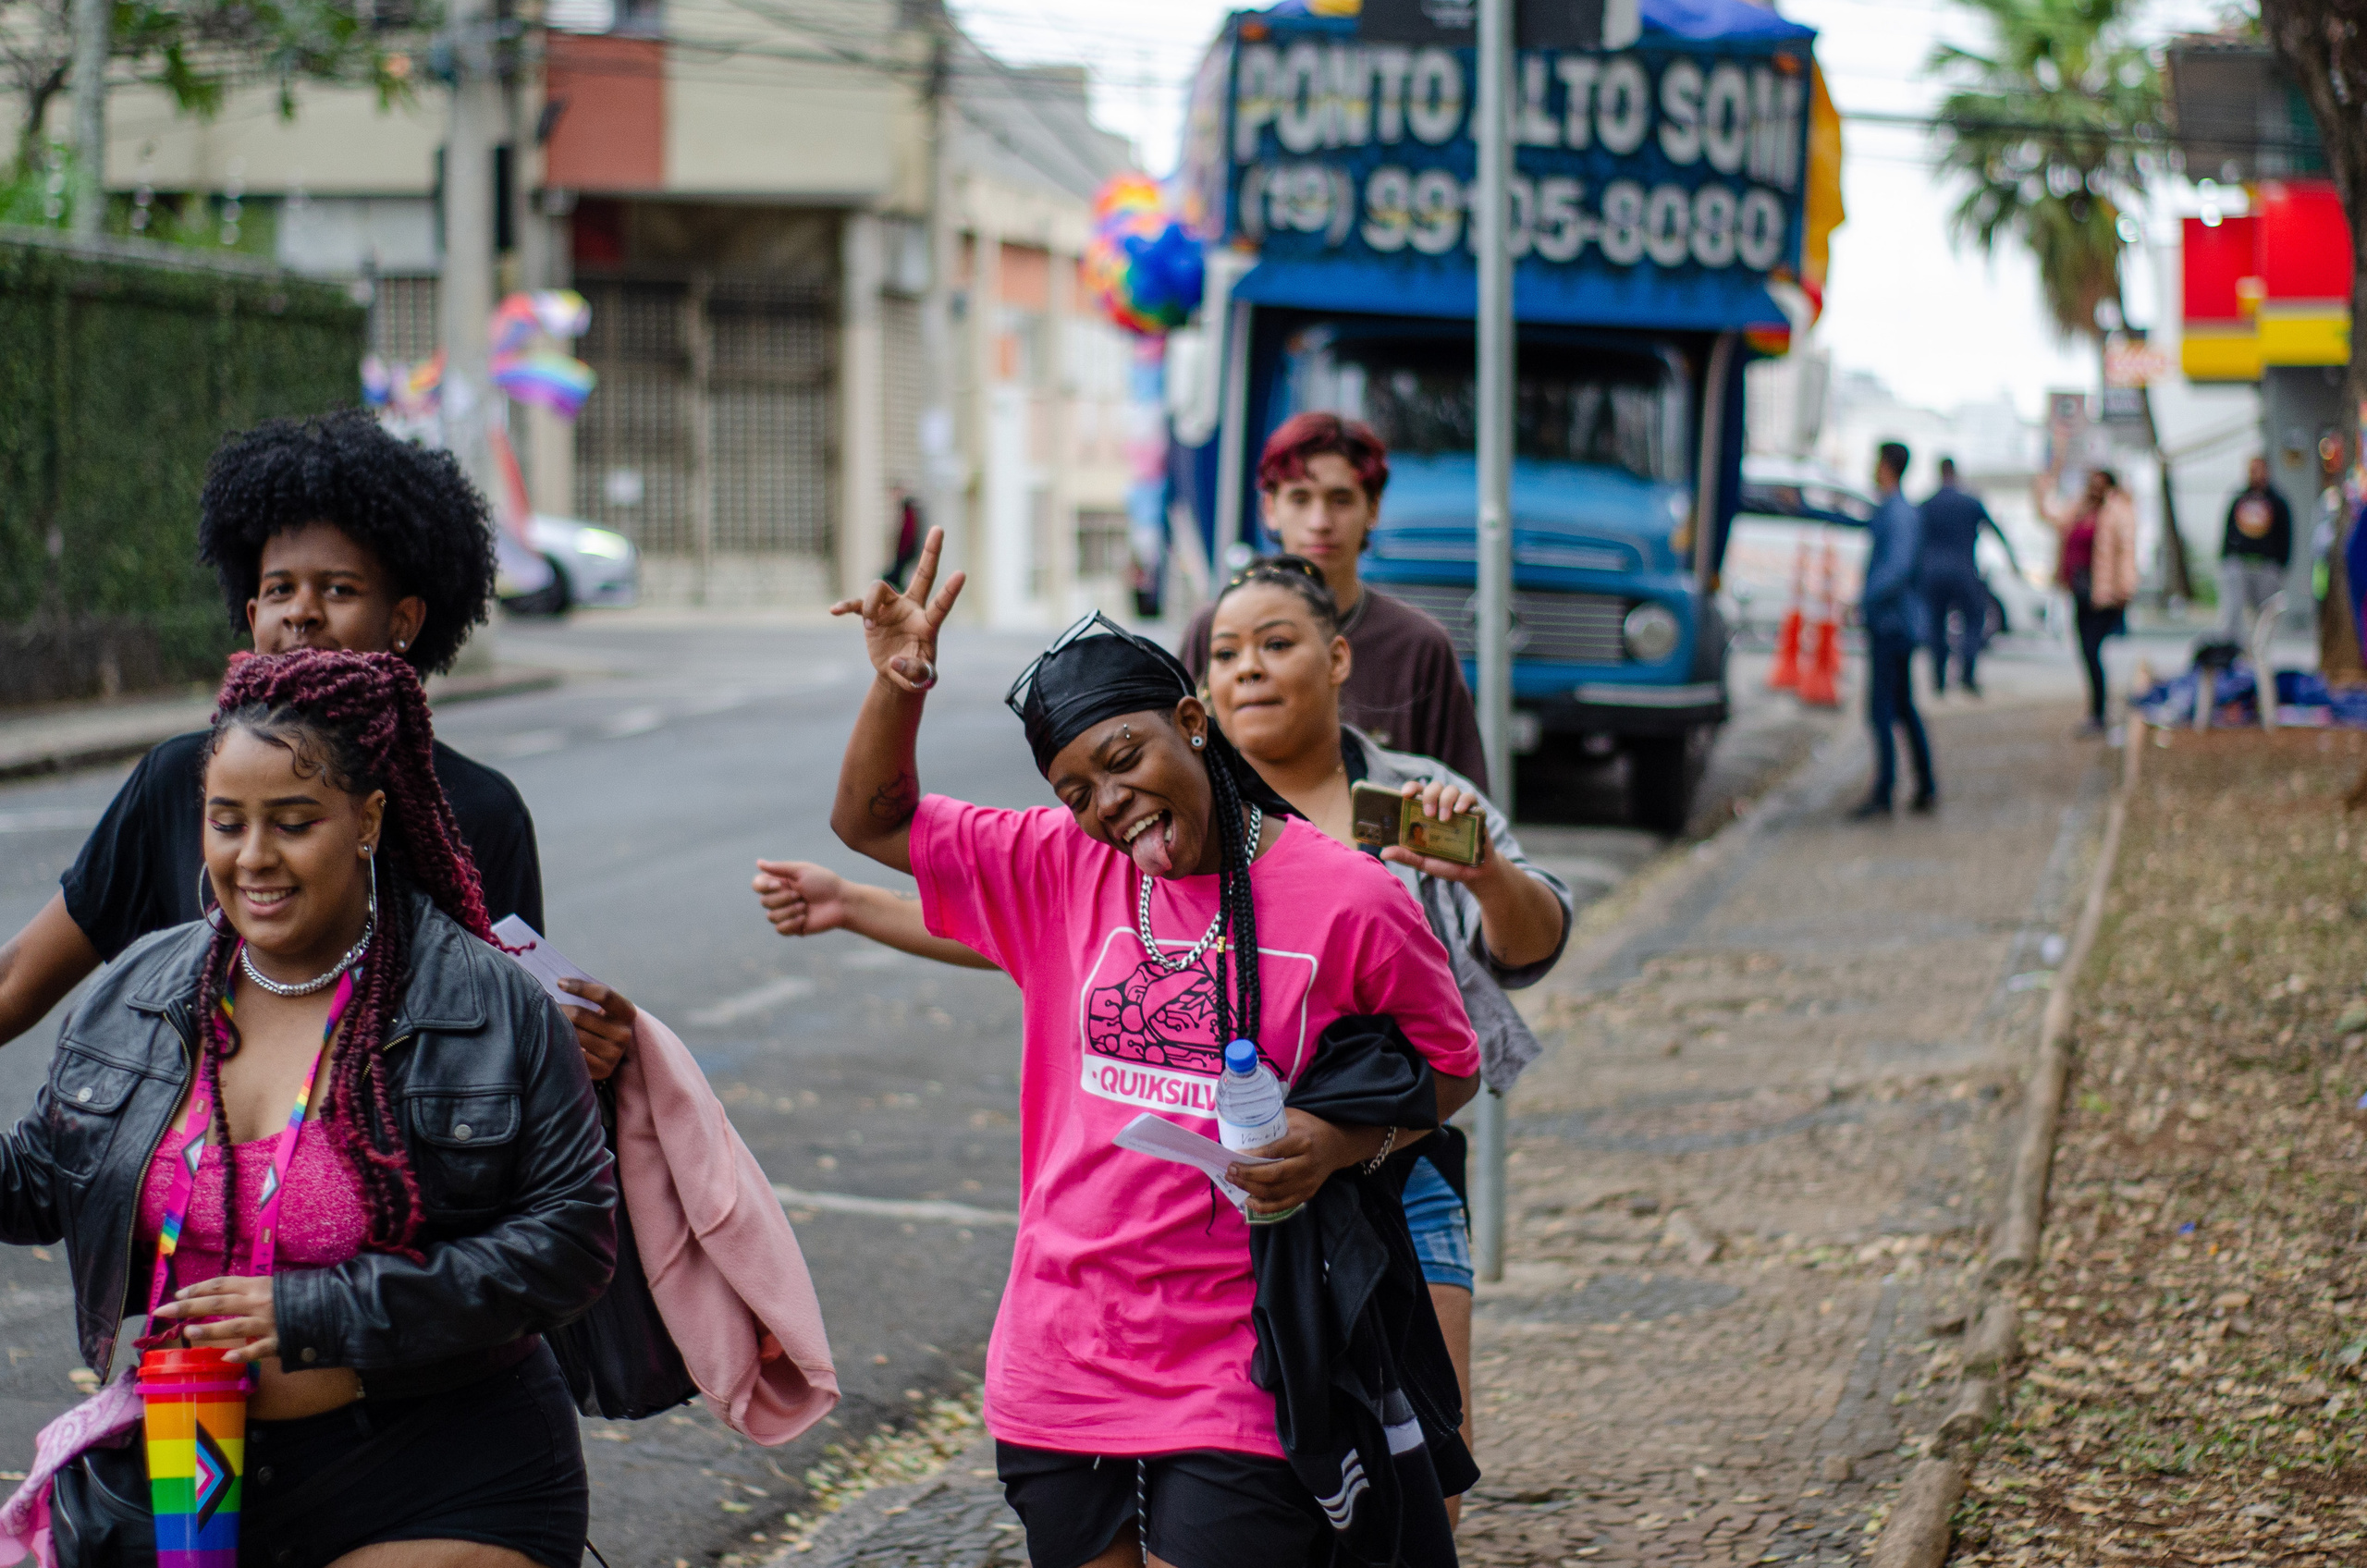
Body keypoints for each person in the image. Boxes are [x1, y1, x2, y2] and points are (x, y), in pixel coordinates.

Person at [754, 556, 1572, 1526]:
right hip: (1059, 1352)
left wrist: (1337, 1142)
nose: (1108, 801)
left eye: (1124, 758)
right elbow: (868, 820)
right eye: (1076, 791)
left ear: (1191, 722)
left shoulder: (1351, 896)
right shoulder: (1060, 862)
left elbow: (1452, 1066)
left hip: (1244, 1355)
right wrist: (900, 685)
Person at [4, 648, 616, 1568]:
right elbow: (40, 1180)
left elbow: (572, 1240)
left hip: (437, 1469)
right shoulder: (141, 989)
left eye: (292, 823)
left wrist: (315, 1311)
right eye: (226, 822)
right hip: (192, 1463)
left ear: (367, 819)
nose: (253, 857)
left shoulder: (484, 1003)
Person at [0, 410, 636, 1078]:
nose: (302, 610)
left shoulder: (479, 812)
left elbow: (516, 1042)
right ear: (253, 616)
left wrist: (585, 1050)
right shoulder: (176, 779)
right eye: (280, 589)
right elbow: (19, 978)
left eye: (338, 588)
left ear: (404, 620)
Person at [1179, 412, 1489, 790]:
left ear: (1373, 508)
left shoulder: (1419, 647)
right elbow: (1176, 767)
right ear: (1270, 509)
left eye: (1341, 500)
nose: (1320, 521)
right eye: (1300, 498)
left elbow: (1466, 802)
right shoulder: (1214, 630)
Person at [1852, 442, 1936, 819]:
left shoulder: (1899, 513)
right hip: (1897, 622)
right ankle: (1924, 785)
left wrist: (1863, 598)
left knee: (1882, 709)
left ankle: (1885, 791)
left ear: (1886, 466)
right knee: (1902, 706)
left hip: (1893, 624)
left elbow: (1897, 569)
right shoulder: (1893, 509)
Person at [2035, 465, 2139, 737]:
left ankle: (2099, 713)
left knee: (2092, 650)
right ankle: (2096, 712)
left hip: (2104, 594)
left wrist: (2125, 589)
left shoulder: (2118, 512)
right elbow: (2051, 516)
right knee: (2086, 651)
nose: (2094, 489)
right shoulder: (2079, 509)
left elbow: (2126, 551)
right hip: (2080, 591)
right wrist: (2043, 485)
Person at [1918, 457, 2005, 697]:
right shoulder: (1970, 502)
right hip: (1964, 572)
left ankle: (1939, 679)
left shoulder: (1928, 504)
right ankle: (1967, 674)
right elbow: (1995, 530)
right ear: (1955, 473)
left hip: (1933, 574)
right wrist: (2012, 560)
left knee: (1937, 624)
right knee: (1974, 618)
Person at [2220, 455, 2293, 641]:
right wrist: (2226, 557)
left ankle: (2260, 648)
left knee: (2266, 613)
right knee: (2234, 610)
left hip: (2266, 566)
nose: (2256, 474)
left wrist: (2280, 564)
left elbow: (2285, 534)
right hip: (2241, 563)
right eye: (2252, 470)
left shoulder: (2277, 502)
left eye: (2259, 470)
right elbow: (2228, 530)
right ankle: (2233, 646)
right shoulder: (2239, 499)